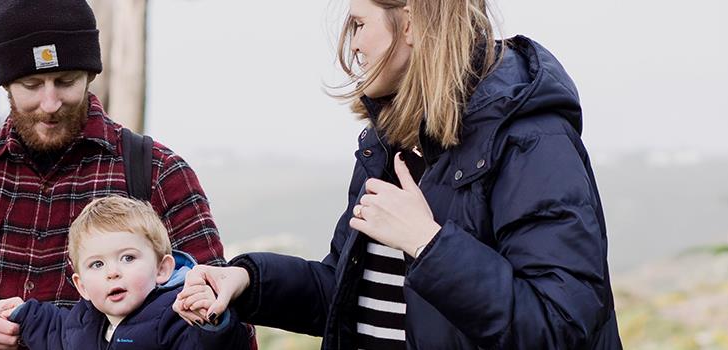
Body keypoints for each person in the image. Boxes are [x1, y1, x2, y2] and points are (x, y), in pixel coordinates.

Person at [174, 0, 622, 348]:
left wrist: (427, 243)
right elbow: (348, 296)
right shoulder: (391, 143)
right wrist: (247, 281)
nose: (352, 45)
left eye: (360, 24)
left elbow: (560, 328)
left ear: (410, 23)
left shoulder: (532, 139)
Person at [0, 1, 228, 349]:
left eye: (65, 81)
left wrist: (211, 316)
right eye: (31, 84)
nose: (50, 103)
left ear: (91, 75)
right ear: (5, 83)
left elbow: (226, 314)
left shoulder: (159, 173)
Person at [1, 196, 248, 349]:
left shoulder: (175, 316)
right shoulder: (84, 322)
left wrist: (212, 326)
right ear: (82, 286)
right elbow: (55, 331)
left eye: (128, 258)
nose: (113, 273)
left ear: (162, 269)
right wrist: (24, 315)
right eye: (97, 264)